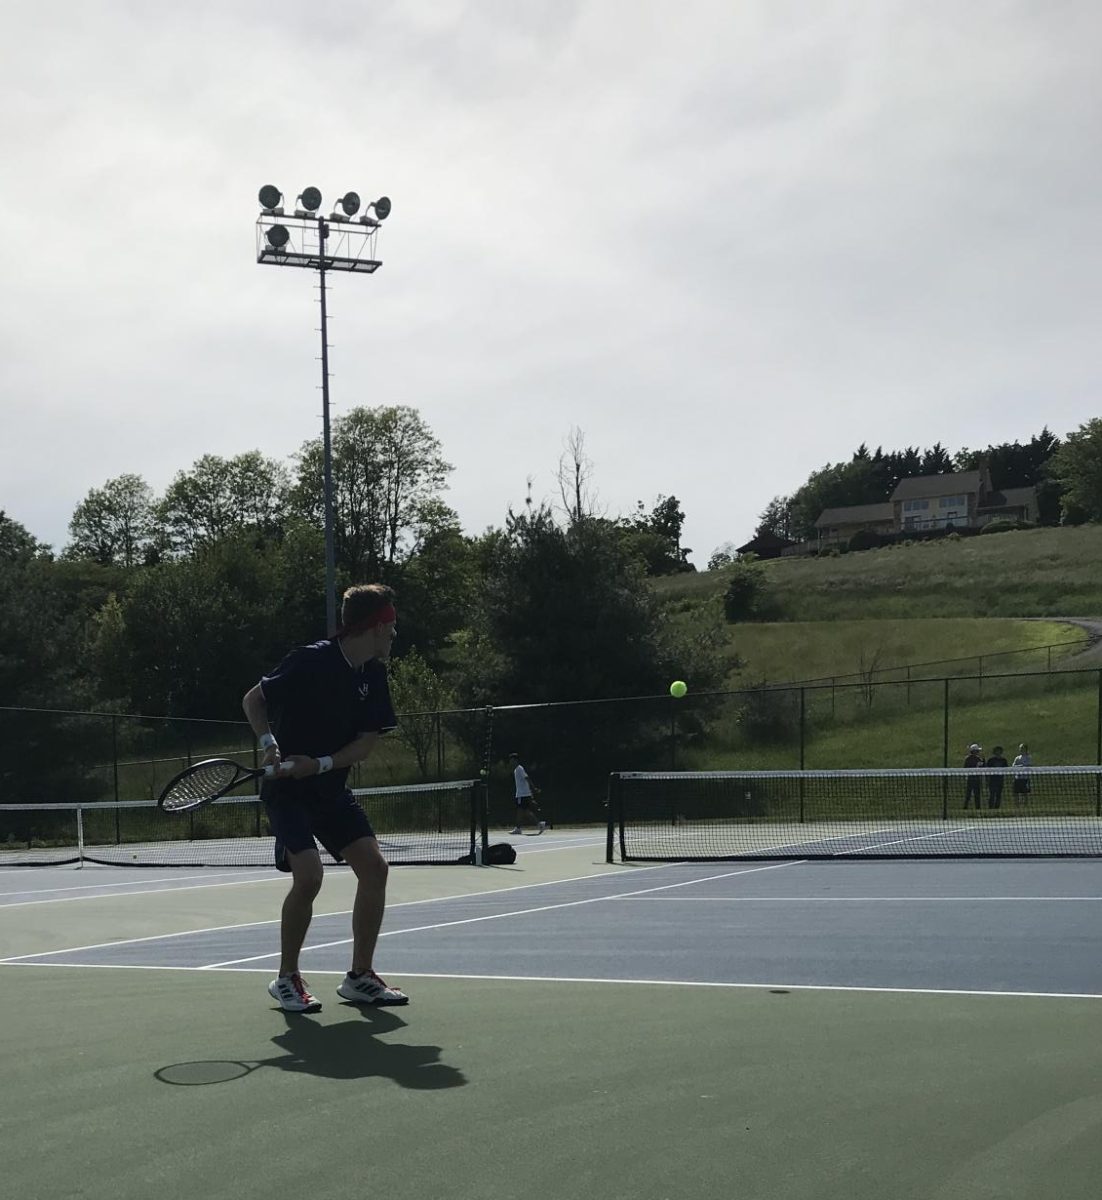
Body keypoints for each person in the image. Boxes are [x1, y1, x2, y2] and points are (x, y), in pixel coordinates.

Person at [241, 583, 409, 1014]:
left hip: (328, 789)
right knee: (310, 877)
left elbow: (366, 742)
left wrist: (317, 764)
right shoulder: (311, 661)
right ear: (374, 626)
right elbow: (254, 700)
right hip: (287, 793)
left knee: (375, 867)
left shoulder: (372, 675)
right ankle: (286, 979)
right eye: (390, 626)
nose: (394, 635)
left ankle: (359, 977)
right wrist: (268, 742)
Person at [508, 752, 546, 836]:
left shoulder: (519, 769)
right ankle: (539, 824)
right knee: (525, 812)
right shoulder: (516, 769)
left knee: (521, 811)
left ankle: (519, 828)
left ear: (515, 760)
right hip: (522, 794)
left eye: (512, 760)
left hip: (522, 794)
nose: (510, 762)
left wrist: (534, 788)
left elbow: (527, 778)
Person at [985, 745, 1008, 809]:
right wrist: (987, 780)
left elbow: (1007, 770)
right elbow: (987, 770)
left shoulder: (1004, 760)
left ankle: (996, 808)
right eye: (997, 751)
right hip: (992, 781)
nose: (998, 752)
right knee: (992, 795)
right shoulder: (991, 760)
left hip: (1000, 780)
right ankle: (990, 807)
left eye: (999, 751)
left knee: (998, 795)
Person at [963, 743, 984, 810]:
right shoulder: (968, 759)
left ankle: (978, 807)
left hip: (977, 778)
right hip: (971, 778)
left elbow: (982, 767)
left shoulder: (979, 759)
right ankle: (965, 806)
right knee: (968, 793)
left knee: (977, 793)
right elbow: (966, 768)